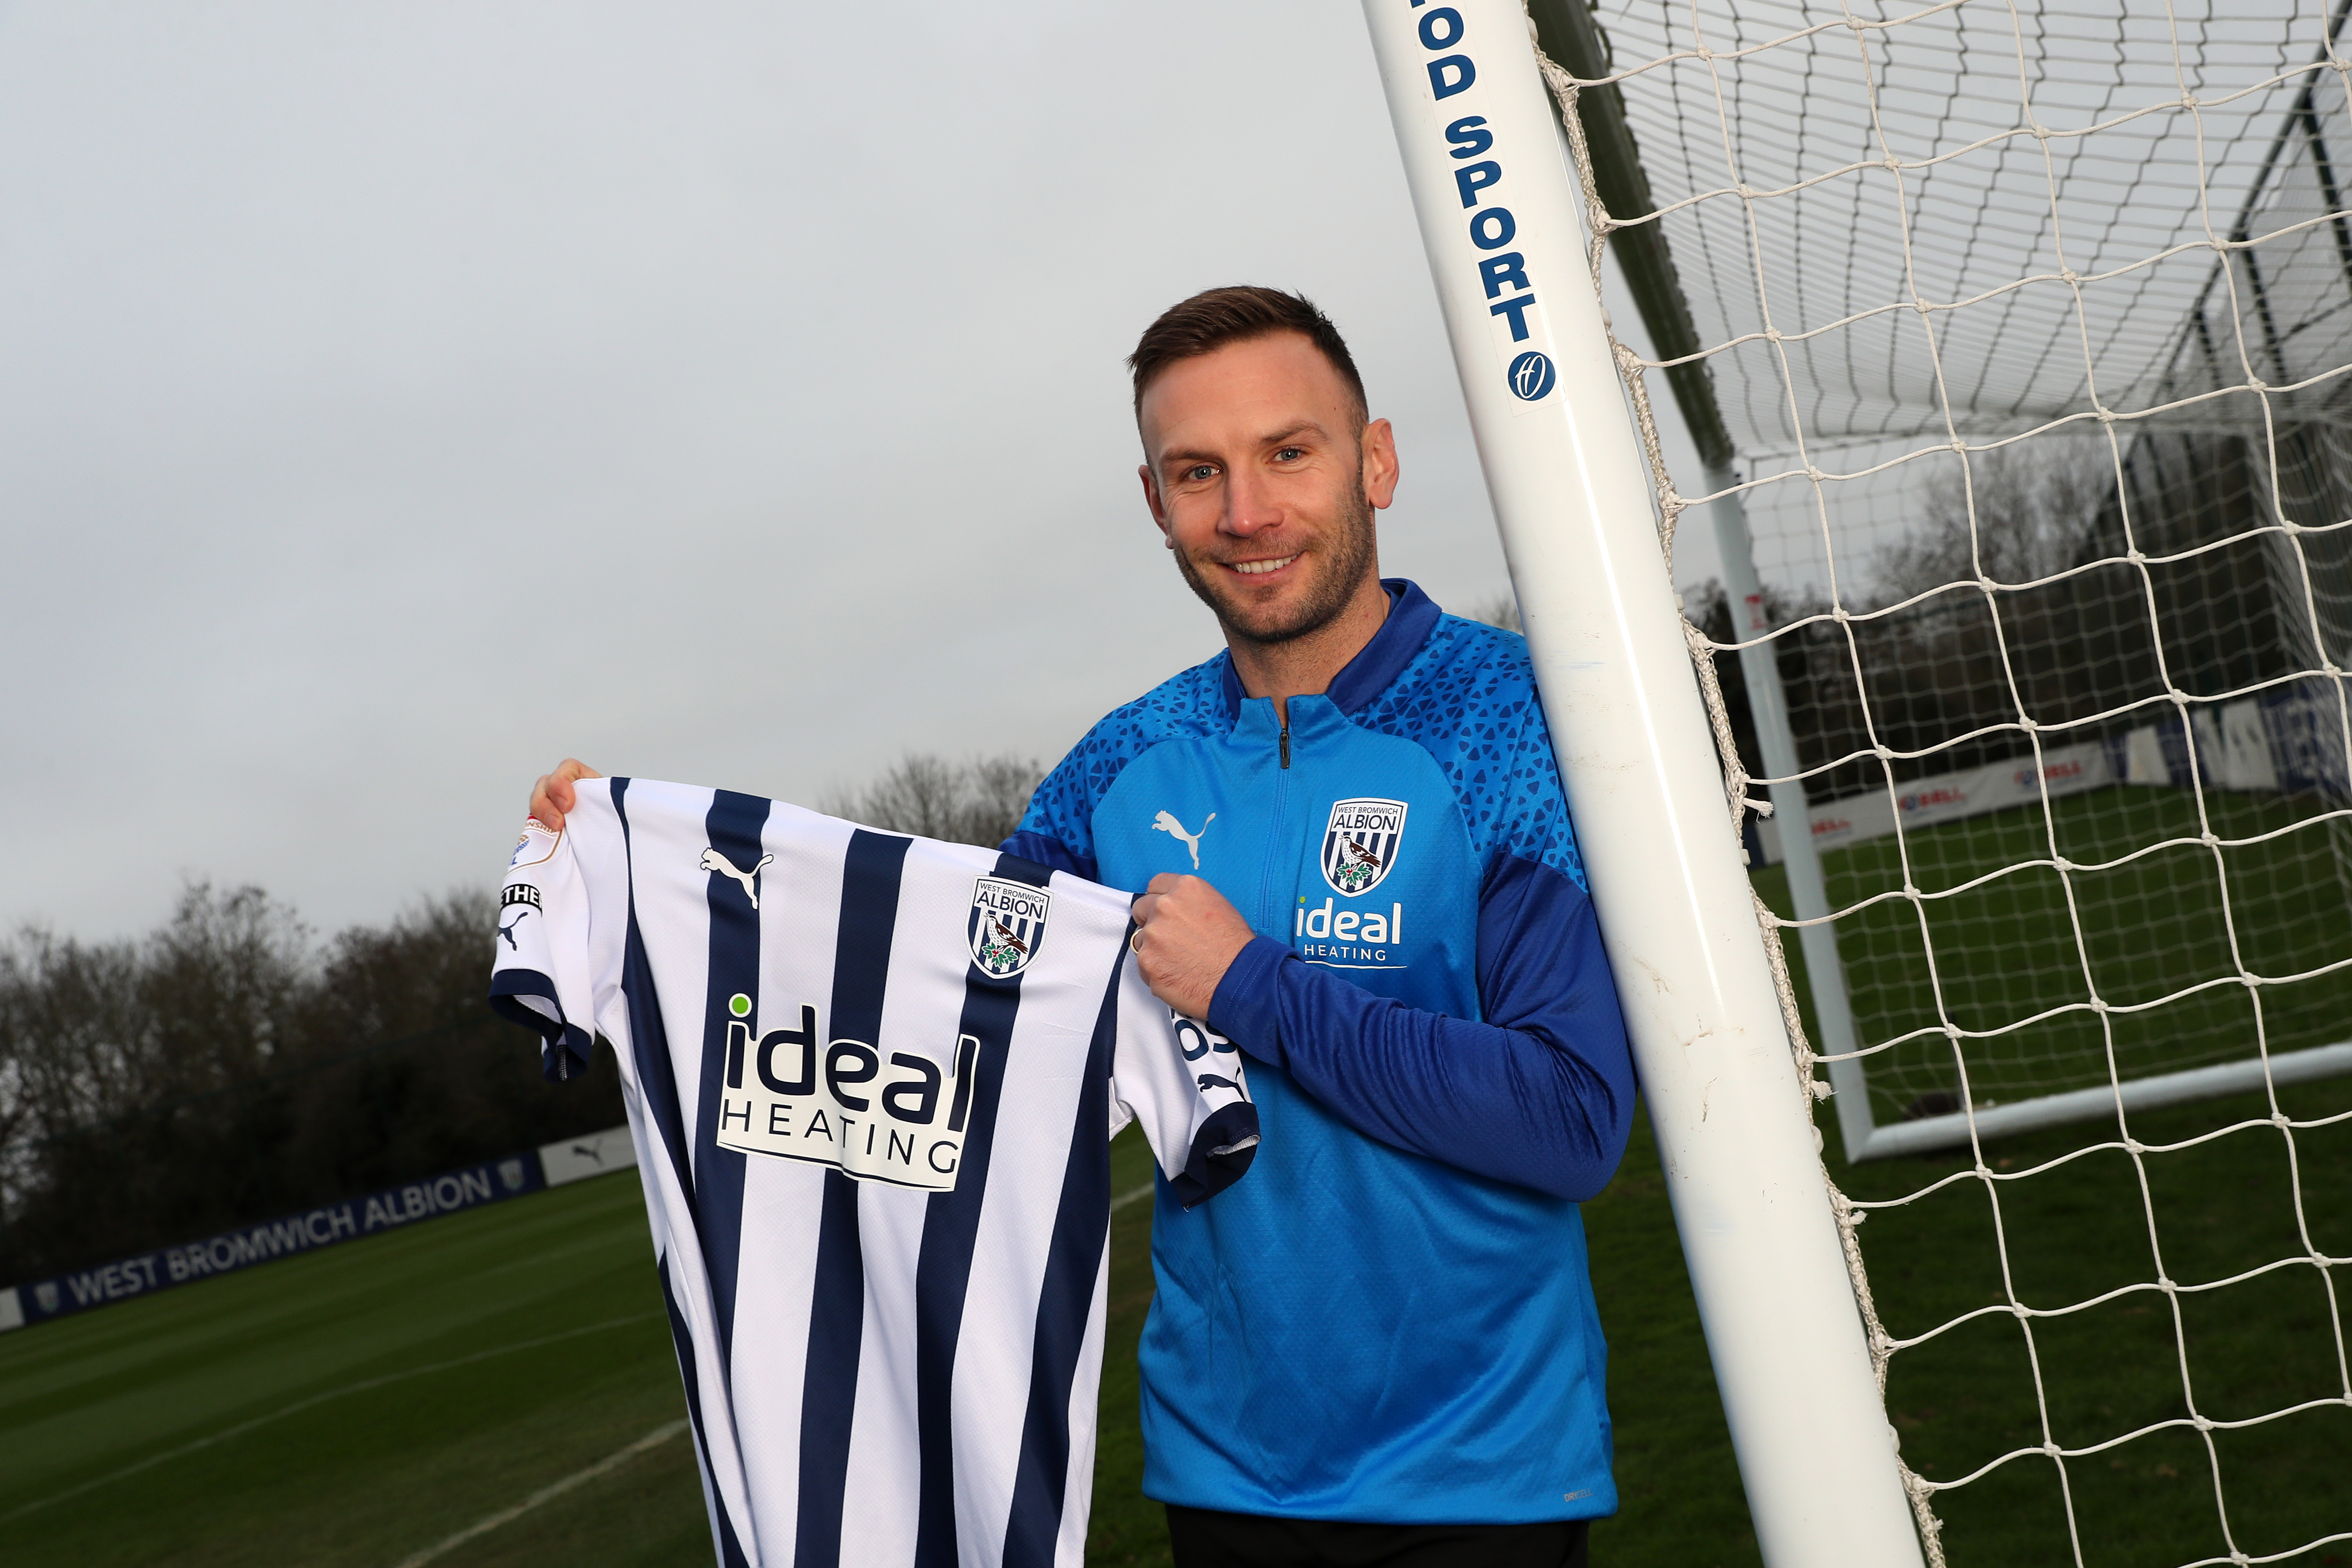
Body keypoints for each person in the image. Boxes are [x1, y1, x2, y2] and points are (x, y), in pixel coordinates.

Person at [531, 285, 1636, 1568]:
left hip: (1481, 1477)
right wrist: (643, 863)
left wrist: (1251, 988)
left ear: (1375, 460)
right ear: (1156, 502)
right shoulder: (1119, 768)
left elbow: (1571, 1118)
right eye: (1198, 471)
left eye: (1291, 451)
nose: (1247, 512)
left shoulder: (1511, 723)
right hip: (1227, 1475)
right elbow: (932, 998)